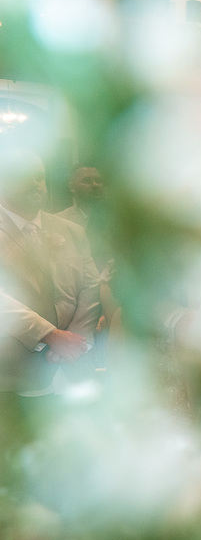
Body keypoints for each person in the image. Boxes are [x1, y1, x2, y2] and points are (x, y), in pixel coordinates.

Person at [0, 147, 102, 440]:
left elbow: (90, 285)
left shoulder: (69, 230)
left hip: (73, 365)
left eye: (40, 178)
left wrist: (75, 340)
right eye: (26, 178)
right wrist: (50, 335)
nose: (36, 185)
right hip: (11, 369)